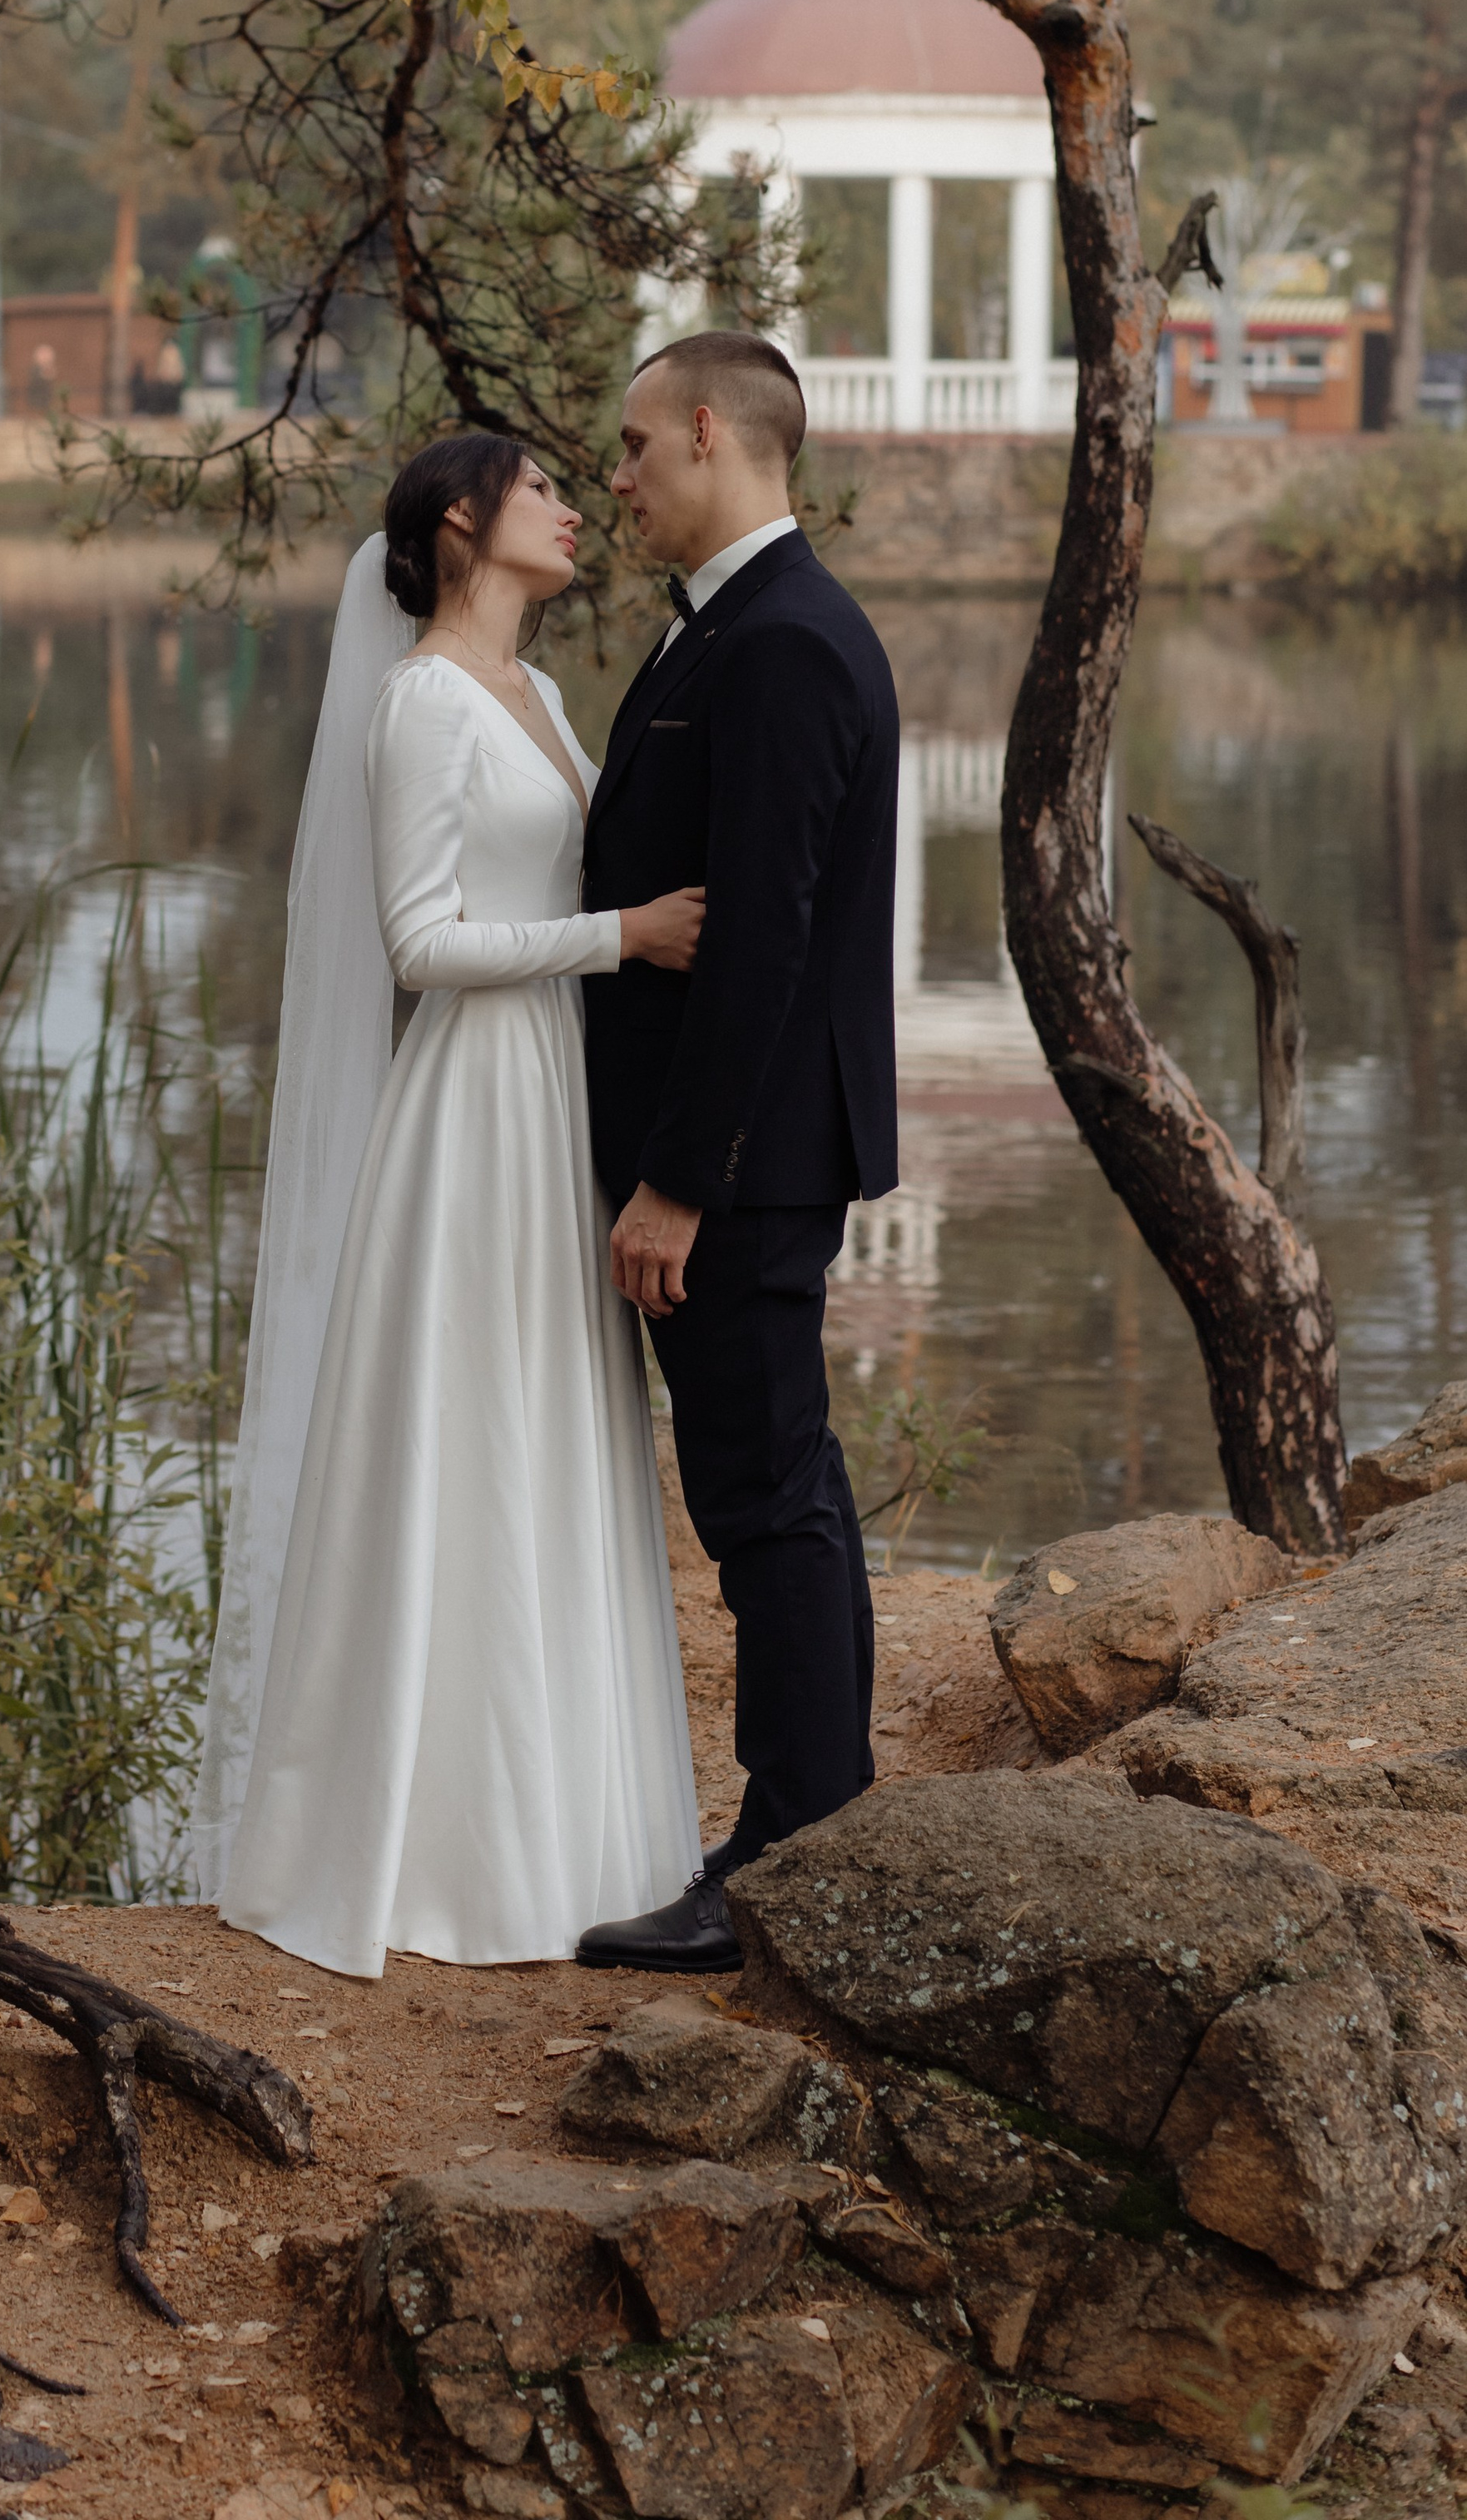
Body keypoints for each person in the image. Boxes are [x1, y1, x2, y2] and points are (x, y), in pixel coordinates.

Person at [195, 434, 707, 1975]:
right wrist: (621, 936)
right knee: (467, 1434)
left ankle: (566, 1840)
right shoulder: (421, 701)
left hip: (556, 1097)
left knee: (548, 1427)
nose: (575, 507)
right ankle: (431, 1854)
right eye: (543, 488)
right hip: (474, 1104)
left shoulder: (536, 692)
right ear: (465, 522)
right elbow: (419, 942)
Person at [574, 328, 900, 1973]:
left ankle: (788, 1856)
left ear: (709, 431)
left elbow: (762, 937)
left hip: (747, 1162)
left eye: (635, 443)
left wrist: (679, 1178)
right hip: (752, 1151)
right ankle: (822, 1826)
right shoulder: (733, 623)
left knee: (761, 1499)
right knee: (784, 1486)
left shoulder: (779, 643)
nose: (617, 475)